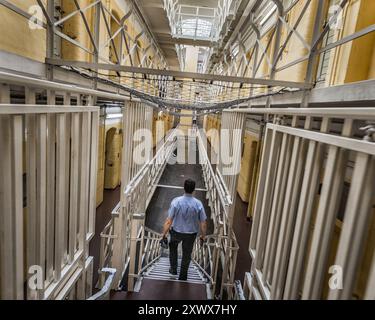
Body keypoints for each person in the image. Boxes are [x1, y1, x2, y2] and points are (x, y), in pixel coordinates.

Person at [161, 179, 207, 281]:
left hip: (176, 232)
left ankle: (173, 269)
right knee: (187, 254)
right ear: (194, 190)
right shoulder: (198, 204)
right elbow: (203, 223)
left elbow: (169, 220)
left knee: (173, 249)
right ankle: (183, 276)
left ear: (184, 187)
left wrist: (163, 234)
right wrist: (203, 236)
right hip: (191, 234)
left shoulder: (176, 201)